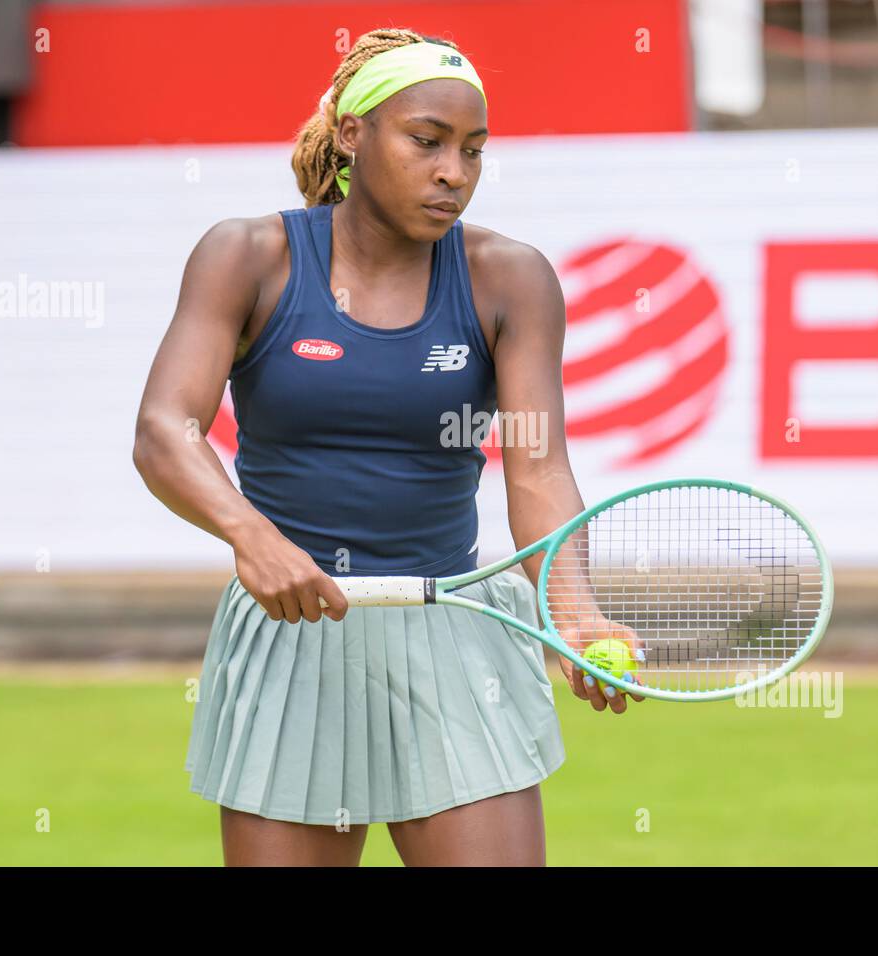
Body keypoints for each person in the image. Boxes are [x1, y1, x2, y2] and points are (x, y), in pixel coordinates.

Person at [133, 27, 641, 867]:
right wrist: (253, 538)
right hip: (289, 634)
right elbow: (164, 430)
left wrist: (575, 609)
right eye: (427, 141)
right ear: (351, 134)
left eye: (474, 151)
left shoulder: (511, 279)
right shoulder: (246, 256)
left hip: (455, 631)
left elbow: (539, 465)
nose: (454, 172)